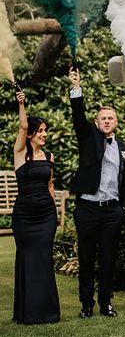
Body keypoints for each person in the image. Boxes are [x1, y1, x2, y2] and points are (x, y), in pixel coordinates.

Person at [68, 67, 125, 319]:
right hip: (87, 209)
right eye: (103, 118)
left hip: (111, 212)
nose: (107, 121)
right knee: (86, 259)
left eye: (111, 118)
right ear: (96, 123)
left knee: (108, 260)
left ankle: (106, 304)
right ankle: (87, 305)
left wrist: (123, 207)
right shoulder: (88, 139)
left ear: (116, 122)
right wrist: (76, 88)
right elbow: (77, 116)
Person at [11, 89, 60, 324]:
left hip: (45, 215)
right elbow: (21, 127)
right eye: (40, 131)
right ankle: (26, 312)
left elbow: (50, 185)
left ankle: (47, 312)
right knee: (28, 257)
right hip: (25, 216)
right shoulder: (20, 153)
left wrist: (56, 214)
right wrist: (22, 104)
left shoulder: (48, 156)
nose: (44, 134)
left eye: (45, 131)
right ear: (30, 133)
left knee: (44, 258)